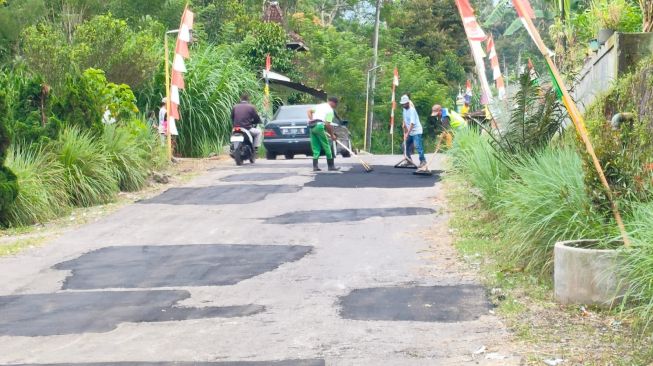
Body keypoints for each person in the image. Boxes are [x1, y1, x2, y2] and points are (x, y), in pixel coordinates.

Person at [307, 97, 340, 172]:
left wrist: (311, 119)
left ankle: (315, 166)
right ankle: (331, 166)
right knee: (326, 145)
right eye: (336, 104)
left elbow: (309, 111)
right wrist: (332, 135)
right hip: (319, 126)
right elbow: (328, 124)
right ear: (333, 103)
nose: (335, 106)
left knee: (315, 147)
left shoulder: (319, 106)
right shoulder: (330, 110)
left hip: (312, 126)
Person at [400, 94, 426, 168]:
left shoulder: (412, 110)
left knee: (418, 146)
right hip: (409, 131)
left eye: (404, 104)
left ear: (408, 103)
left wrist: (407, 133)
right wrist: (405, 132)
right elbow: (405, 121)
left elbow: (412, 123)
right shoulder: (404, 110)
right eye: (402, 104)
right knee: (404, 145)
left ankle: (423, 161)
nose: (403, 105)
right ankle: (409, 160)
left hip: (416, 131)